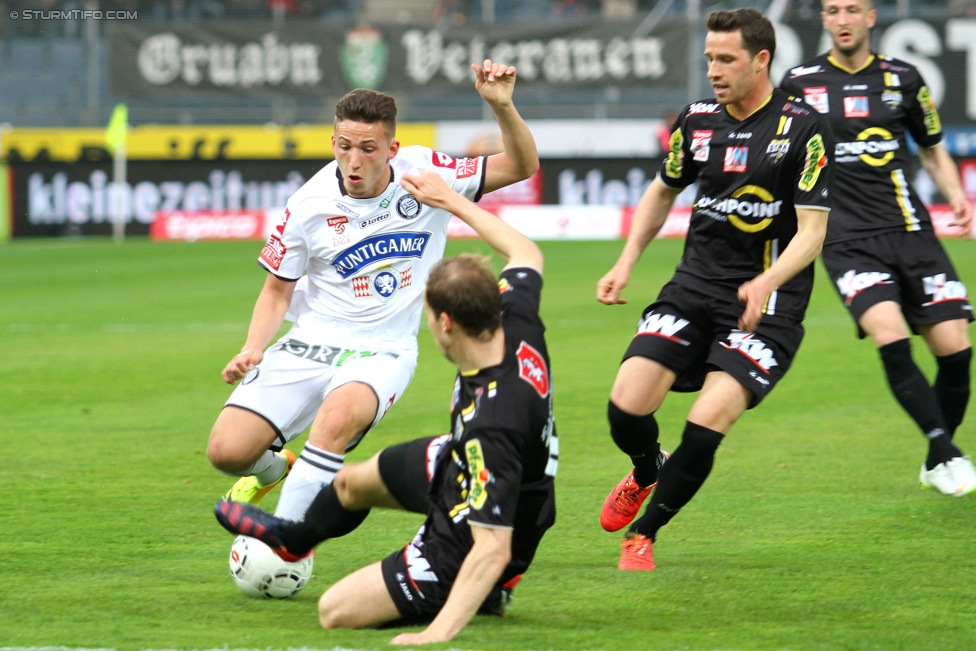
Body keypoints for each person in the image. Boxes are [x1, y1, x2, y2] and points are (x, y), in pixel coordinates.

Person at [213, 169, 558, 645]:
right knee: (351, 482)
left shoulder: (493, 422)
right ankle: (294, 537)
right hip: (467, 459)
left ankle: (482, 594)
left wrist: (433, 635)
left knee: (336, 611)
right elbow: (527, 252)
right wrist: (451, 201)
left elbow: (493, 547)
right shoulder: (514, 318)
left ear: (446, 323)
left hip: (487, 514)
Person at [206, 60, 540, 522]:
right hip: (312, 340)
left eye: (368, 148)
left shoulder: (425, 171)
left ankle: (285, 547)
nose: (354, 160)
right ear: (333, 144)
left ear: (392, 148)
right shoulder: (308, 204)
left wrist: (501, 106)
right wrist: (252, 347)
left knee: (334, 423)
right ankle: (274, 470)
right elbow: (276, 290)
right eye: (344, 147)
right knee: (226, 451)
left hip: (383, 350)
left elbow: (522, 166)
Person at [595, 8, 834, 570]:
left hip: (767, 304)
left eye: (726, 59)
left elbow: (813, 233)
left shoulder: (803, 127)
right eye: (709, 58)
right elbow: (661, 192)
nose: (714, 70)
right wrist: (627, 260)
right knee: (625, 408)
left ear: (761, 60)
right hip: (692, 287)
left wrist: (767, 280)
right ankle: (648, 467)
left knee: (708, 420)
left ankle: (644, 537)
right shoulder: (698, 119)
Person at [781, 0, 976, 497]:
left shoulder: (904, 78)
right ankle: (947, 451)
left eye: (852, 9)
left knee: (955, 353)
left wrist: (956, 196)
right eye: (833, 10)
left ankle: (936, 458)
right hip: (845, 239)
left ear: (871, 18)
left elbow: (931, 148)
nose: (842, 19)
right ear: (823, 20)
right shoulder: (799, 83)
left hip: (911, 230)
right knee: (891, 336)